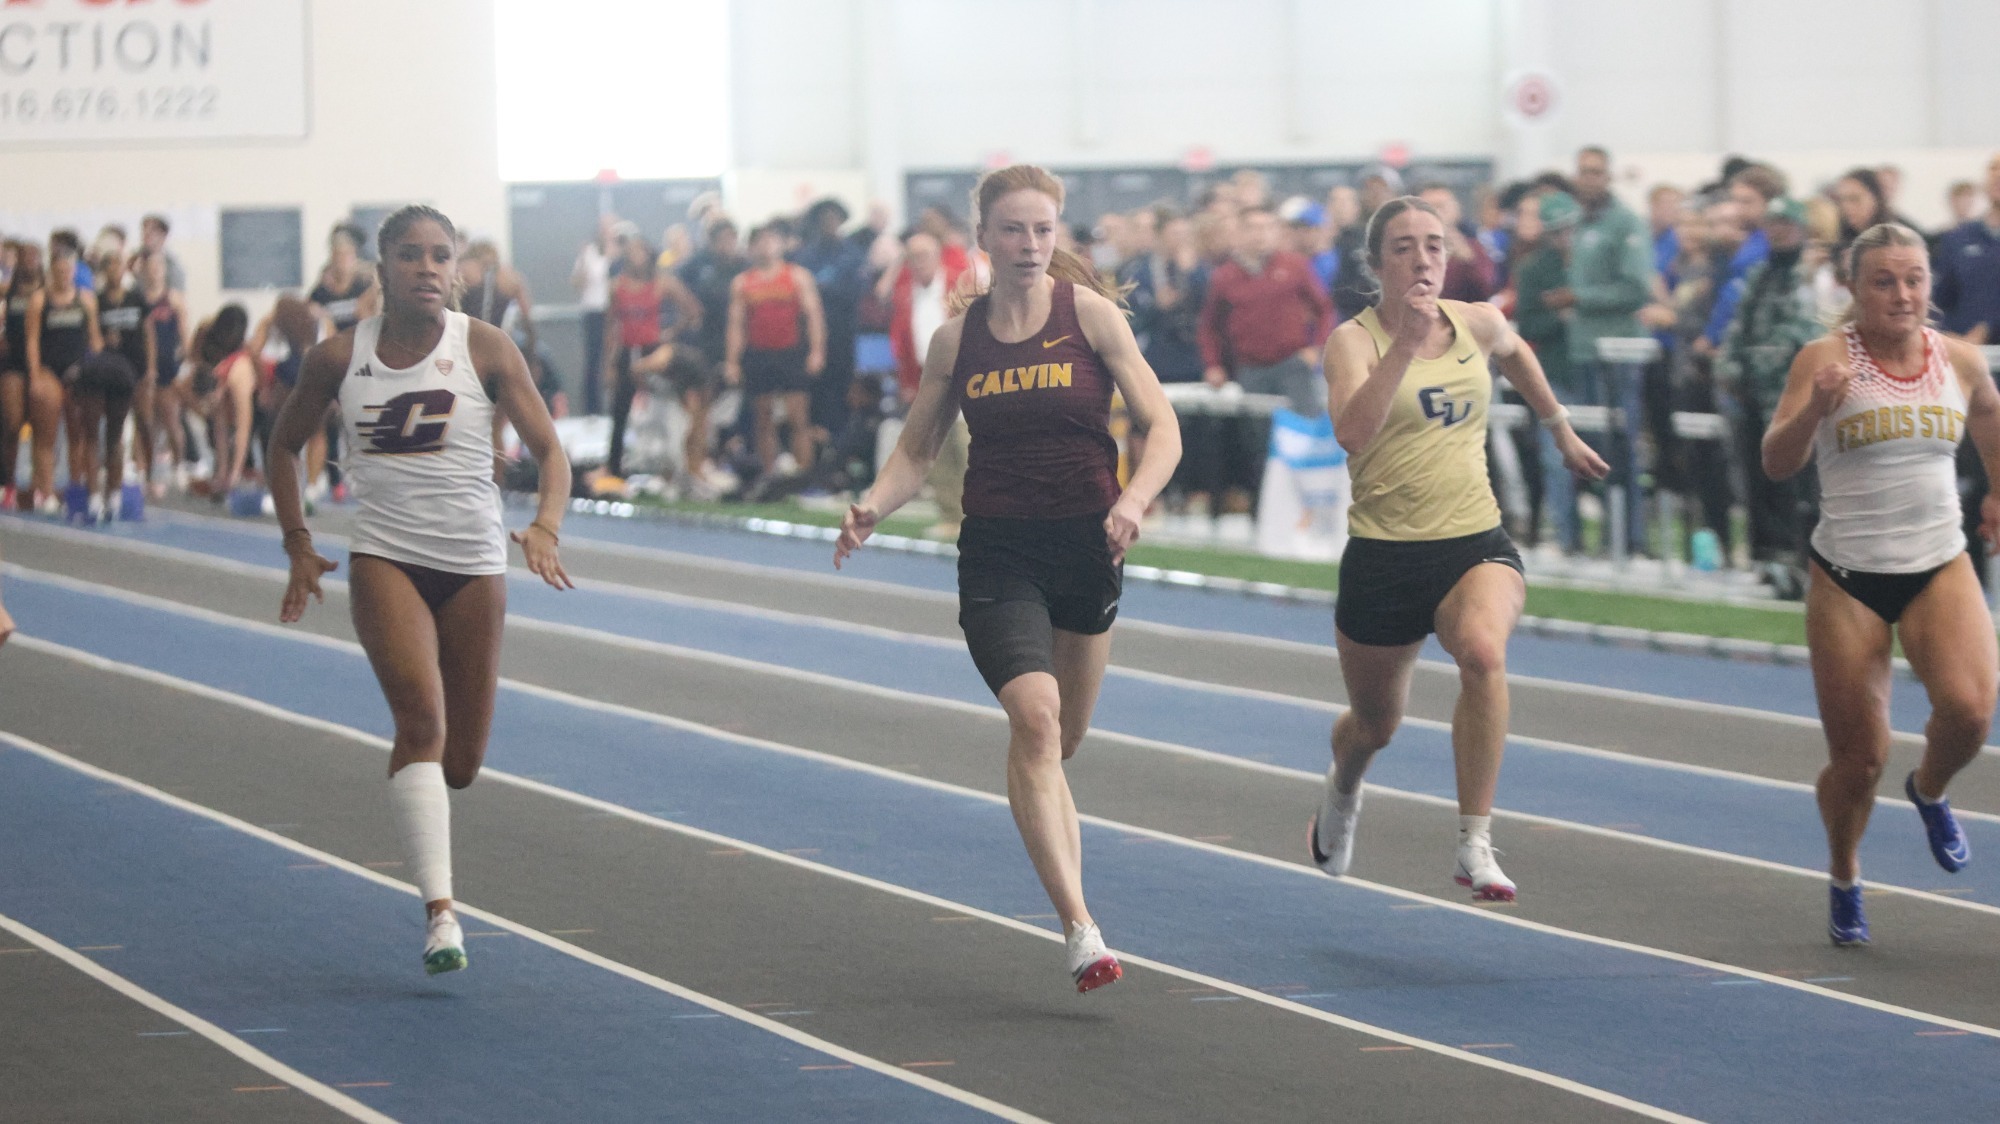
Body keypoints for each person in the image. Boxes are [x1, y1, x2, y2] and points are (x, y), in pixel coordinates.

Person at [835, 165, 1181, 992]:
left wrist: (1134, 501)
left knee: (1059, 743)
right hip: (999, 551)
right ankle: (1081, 928)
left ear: (1057, 235)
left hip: (1088, 545)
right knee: (1035, 717)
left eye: (1043, 230)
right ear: (983, 238)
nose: (1029, 245)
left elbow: (1162, 425)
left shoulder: (1089, 316)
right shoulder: (958, 341)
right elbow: (918, 449)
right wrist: (873, 504)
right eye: (1014, 230)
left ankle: (1067, 885)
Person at [268, 204, 575, 975]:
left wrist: (545, 525)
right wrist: (298, 542)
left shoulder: (486, 347)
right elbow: (282, 445)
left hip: (474, 565)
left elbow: (551, 451)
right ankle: (442, 916)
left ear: (458, 270)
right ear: (384, 270)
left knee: (460, 763)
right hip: (387, 559)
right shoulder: (340, 357)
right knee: (421, 721)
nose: (428, 268)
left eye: (442, 255)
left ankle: (429, 825)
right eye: (411, 255)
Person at [1309, 197, 1608, 901]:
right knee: (1375, 725)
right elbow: (1352, 434)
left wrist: (1559, 428)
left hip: (1473, 540)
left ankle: (1475, 842)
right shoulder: (1353, 342)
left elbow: (1517, 352)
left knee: (1482, 652)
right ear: (1377, 263)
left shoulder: (1476, 320)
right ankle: (1344, 784)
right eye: (1404, 247)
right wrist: (1405, 346)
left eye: (1435, 245)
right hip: (1385, 556)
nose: (1423, 260)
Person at [1760, 222, 2000, 946]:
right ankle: (1845, 872)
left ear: (1930, 284)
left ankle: (1929, 789)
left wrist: (1996, 492)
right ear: (1855, 288)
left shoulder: (1958, 359)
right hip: (1849, 576)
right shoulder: (1824, 358)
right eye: (1884, 282)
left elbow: (1989, 414)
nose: (1902, 295)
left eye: (1914, 280)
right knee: (1859, 760)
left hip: (1939, 562)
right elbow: (1776, 461)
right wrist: (1815, 408)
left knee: (1970, 712)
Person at [1719, 199, 1825, 595]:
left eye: (1785, 224)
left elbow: (1805, 336)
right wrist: (1730, 367)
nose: (1777, 232)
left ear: (1800, 228)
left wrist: (1766, 367)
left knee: (1793, 484)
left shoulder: (1808, 278)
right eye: (1772, 224)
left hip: (1789, 398)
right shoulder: (1759, 274)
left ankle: (1796, 562)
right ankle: (1765, 559)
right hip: (1751, 397)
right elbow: (1738, 328)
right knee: (1756, 480)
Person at [727, 224, 827, 480]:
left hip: (791, 352)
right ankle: (769, 475)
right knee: (763, 418)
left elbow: (813, 316)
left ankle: (804, 474)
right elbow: (737, 324)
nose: (765, 246)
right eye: (759, 242)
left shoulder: (797, 276)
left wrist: (817, 351)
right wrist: (732, 361)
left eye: (770, 240)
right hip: (759, 354)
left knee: (798, 417)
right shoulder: (743, 282)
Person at [602, 235, 703, 480]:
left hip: (653, 349)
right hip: (627, 349)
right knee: (620, 410)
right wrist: (609, 364)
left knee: (668, 404)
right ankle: (614, 468)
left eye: (640, 252)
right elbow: (611, 327)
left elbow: (692, 310)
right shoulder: (617, 286)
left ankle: (677, 463)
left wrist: (670, 333)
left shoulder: (662, 283)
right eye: (632, 253)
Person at [25, 231, 104, 519]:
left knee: (78, 433)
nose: (63, 276)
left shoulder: (86, 300)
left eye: (68, 271)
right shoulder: (39, 300)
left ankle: (75, 486)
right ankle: (45, 490)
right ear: (52, 272)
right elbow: (32, 340)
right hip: (49, 370)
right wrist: (35, 375)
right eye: (58, 271)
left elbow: (95, 339)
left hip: (78, 371)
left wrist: (97, 369)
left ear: (74, 271)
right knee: (46, 434)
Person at [84, 246, 149, 517]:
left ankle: (115, 492)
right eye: (109, 265)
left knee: (117, 434)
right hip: (102, 372)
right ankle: (93, 495)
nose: (114, 271)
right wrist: (103, 342)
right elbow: (91, 335)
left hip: (130, 373)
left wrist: (150, 369)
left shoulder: (136, 298)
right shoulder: (96, 301)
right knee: (92, 433)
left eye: (118, 265)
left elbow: (148, 332)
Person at [1, 241, 61, 512]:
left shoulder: (47, 293)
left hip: (42, 363)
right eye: (25, 257)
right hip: (13, 363)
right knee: (12, 424)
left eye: (34, 257)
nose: (29, 262)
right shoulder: (9, 290)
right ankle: (8, 483)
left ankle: (40, 486)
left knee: (43, 428)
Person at [181, 306, 259, 497]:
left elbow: (244, 427)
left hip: (257, 397)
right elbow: (220, 427)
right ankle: (228, 472)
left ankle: (238, 471)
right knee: (220, 425)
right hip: (223, 377)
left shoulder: (239, 371)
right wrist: (222, 473)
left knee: (240, 427)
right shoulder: (218, 366)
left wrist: (234, 475)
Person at [139, 248, 190, 493]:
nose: (155, 272)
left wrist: (185, 362)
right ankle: (143, 468)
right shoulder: (139, 299)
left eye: (159, 267)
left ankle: (179, 465)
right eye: (151, 267)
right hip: (145, 367)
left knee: (171, 419)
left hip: (168, 366)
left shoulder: (173, 299)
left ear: (164, 271)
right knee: (145, 421)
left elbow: (184, 334)